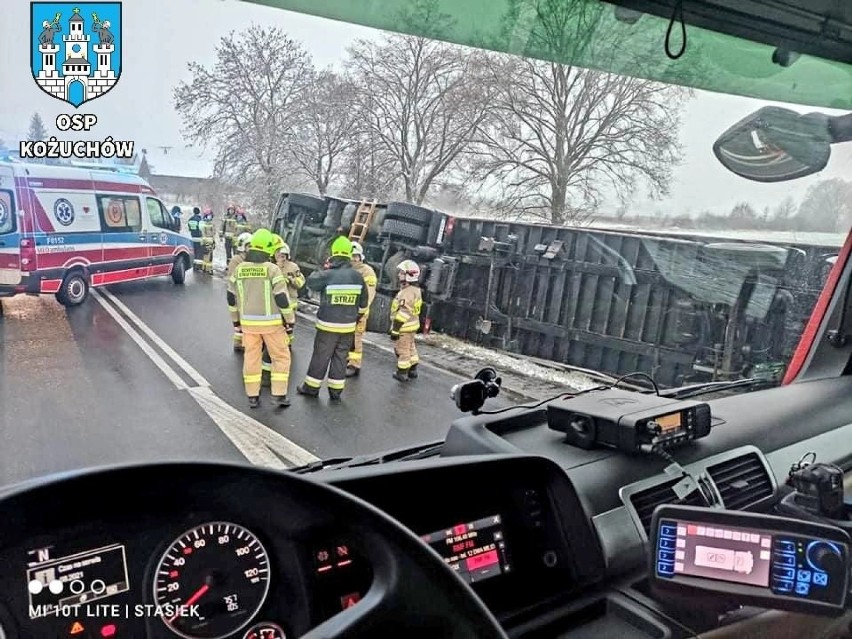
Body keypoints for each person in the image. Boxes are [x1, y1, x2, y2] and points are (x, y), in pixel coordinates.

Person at [227, 229, 294, 408]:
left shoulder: (239, 269)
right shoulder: (272, 270)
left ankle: (252, 396)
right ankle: (278, 395)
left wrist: (236, 321)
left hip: (248, 324)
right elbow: (282, 298)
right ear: (268, 249)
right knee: (281, 357)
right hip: (272, 324)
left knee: (251, 358)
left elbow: (231, 297)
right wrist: (290, 320)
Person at [296, 236, 368, 400]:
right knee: (340, 358)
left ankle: (311, 388)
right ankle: (336, 391)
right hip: (348, 328)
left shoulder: (327, 274)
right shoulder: (358, 277)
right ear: (349, 255)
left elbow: (311, 282)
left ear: (333, 254)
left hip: (327, 326)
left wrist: (324, 267)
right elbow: (363, 305)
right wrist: (355, 318)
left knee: (321, 356)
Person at [346, 241, 378, 377]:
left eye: (356, 256)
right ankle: (347, 359)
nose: (353, 259)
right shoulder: (347, 269)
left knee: (356, 338)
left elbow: (369, 294)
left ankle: (354, 364)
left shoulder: (367, 272)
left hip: (359, 312)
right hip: (346, 310)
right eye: (351, 256)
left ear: (361, 257)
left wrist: (361, 311)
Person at [390, 260, 423, 381]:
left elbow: (403, 312)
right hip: (412, 326)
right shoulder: (416, 290)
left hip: (404, 327)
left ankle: (402, 372)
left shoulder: (407, 293)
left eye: (402, 273)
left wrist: (395, 330)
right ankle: (413, 368)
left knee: (402, 349)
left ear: (409, 275)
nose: (399, 275)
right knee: (410, 347)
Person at [228, 232, 253, 352]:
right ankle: (239, 343)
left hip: (249, 295)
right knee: (239, 321)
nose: (251, 248)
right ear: (243, 246)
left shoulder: (251, 260)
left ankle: (242, 342)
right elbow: (233, 279)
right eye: (249, 246)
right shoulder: (236, 260)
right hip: (238, 295)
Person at [199, 208, 216, 274]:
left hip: (210, 243)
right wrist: (205, 244)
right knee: (208, 257)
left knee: (208, 256)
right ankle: (208, 269)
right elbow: (203, 235)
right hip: (207, 243)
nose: (210, 217)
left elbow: (213, 234)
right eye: (209, 215)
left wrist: (214, 242)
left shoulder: (211, 224)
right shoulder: (204, 225)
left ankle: (205, 268)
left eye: (211, 216)